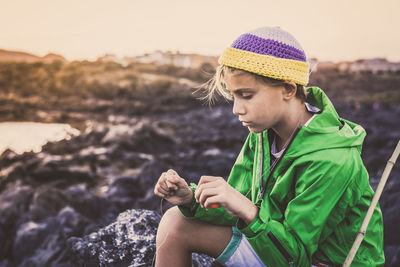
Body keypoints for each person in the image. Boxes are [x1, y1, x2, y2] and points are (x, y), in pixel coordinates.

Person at [153, 26, 385, 266]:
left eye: (247, 95)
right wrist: (190, 198)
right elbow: (237, 205)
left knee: (177, 226)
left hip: (316, 261)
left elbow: (293, 258)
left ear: (288, 89)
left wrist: (248, 210)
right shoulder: (262, 134)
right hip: (274, 246)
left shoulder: (332, 160)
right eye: (234, 96)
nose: (236, 109)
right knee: (174, 223)